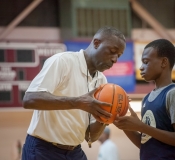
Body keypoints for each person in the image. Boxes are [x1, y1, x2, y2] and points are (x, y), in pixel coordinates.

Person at [21, 26, 126, 160]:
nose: (115, 59)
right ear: (96, 43)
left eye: (119, 55)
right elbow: (29, 99)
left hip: (74, 151)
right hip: (43, 149)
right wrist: (77, 102)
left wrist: (105, 118)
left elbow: (91, 137)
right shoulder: (63, 61)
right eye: (112, 51)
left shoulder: (102, 81)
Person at [113, 39, 175, 160]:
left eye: (146, 62)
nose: (141, 67)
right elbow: (144, 144)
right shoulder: (146, 99)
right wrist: (122, 124)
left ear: (163, 62)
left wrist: (141, 127)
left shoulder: (173, 94)